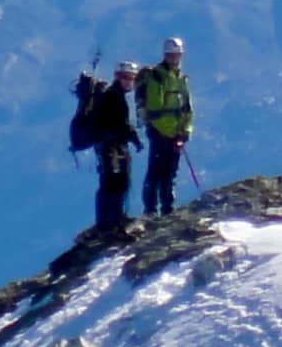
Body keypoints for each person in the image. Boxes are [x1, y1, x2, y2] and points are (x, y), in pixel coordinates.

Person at [70, 59, 141, 237]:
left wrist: (131, 137)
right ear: (118, 77)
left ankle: (110, 222)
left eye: (132, 78)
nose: (129, 81)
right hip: (111, 147)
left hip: (108, 145)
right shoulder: (113, 96)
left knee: (113, 182)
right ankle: (113, 225)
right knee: (115, 183)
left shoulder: (113, 95)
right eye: (126, 77)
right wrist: (133, 138)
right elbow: (119, 124)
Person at [139, 36, 196, 216]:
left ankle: (167, 209)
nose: (174, 58)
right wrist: (172, 133)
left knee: (169, 173)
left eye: (177, 55)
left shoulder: (181, 79)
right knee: (157, 172)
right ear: (165, 55)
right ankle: (151, 211)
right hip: (160, 133)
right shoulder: (157, 77)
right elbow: (155, 111)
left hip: (174, 134)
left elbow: (188, 109)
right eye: (171, 55)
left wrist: (185, 131)